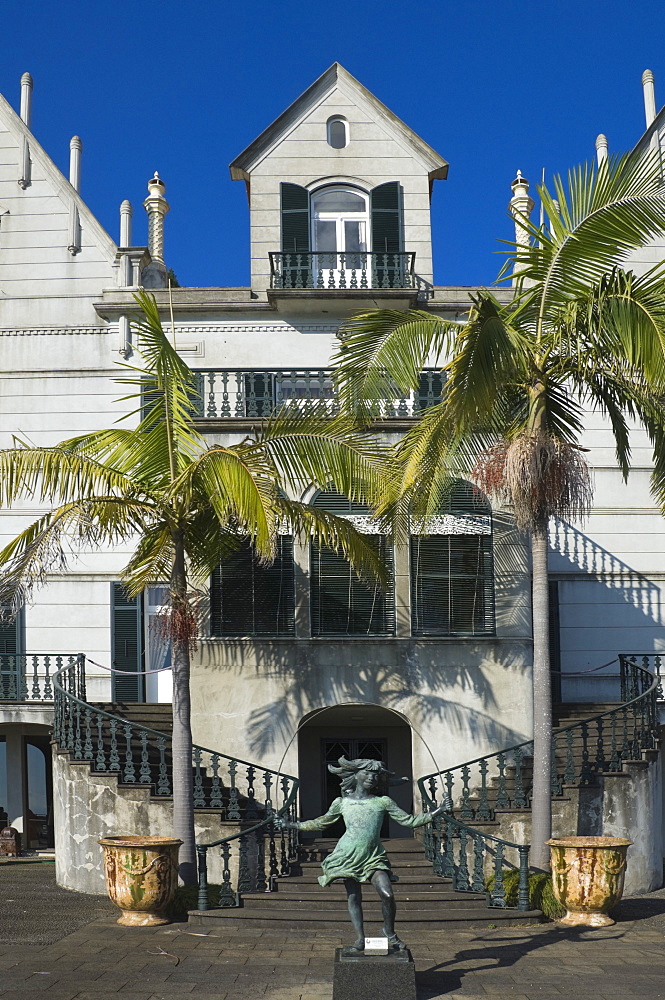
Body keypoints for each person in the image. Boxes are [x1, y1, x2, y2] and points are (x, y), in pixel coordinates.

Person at [275, 757, 444, 953]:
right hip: (347, 855)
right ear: (355, 775)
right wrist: (292, 824)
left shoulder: (383, 801)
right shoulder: (342, 802)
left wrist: (437, 811)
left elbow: (409, 821)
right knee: (354, 897)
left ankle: (389, 932)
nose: (371, 777)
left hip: (373, 856)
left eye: (375, 774)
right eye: (367, 773)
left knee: (387, 894)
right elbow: (321, 822)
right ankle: (360, 939)